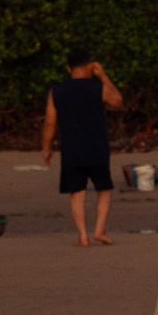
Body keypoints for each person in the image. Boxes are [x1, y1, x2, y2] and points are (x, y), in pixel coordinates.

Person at [40, 47, 124, 247]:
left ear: (69, 68)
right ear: (89, 66)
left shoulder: (56, 91)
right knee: (103, 190)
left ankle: (83, 236)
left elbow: (50, 122)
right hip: (97, 148)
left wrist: (46, 147)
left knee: (76, 194)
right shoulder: (97, 88)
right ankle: (99, 230)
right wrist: (102, 75)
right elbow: (118, 101)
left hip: (72, 150)